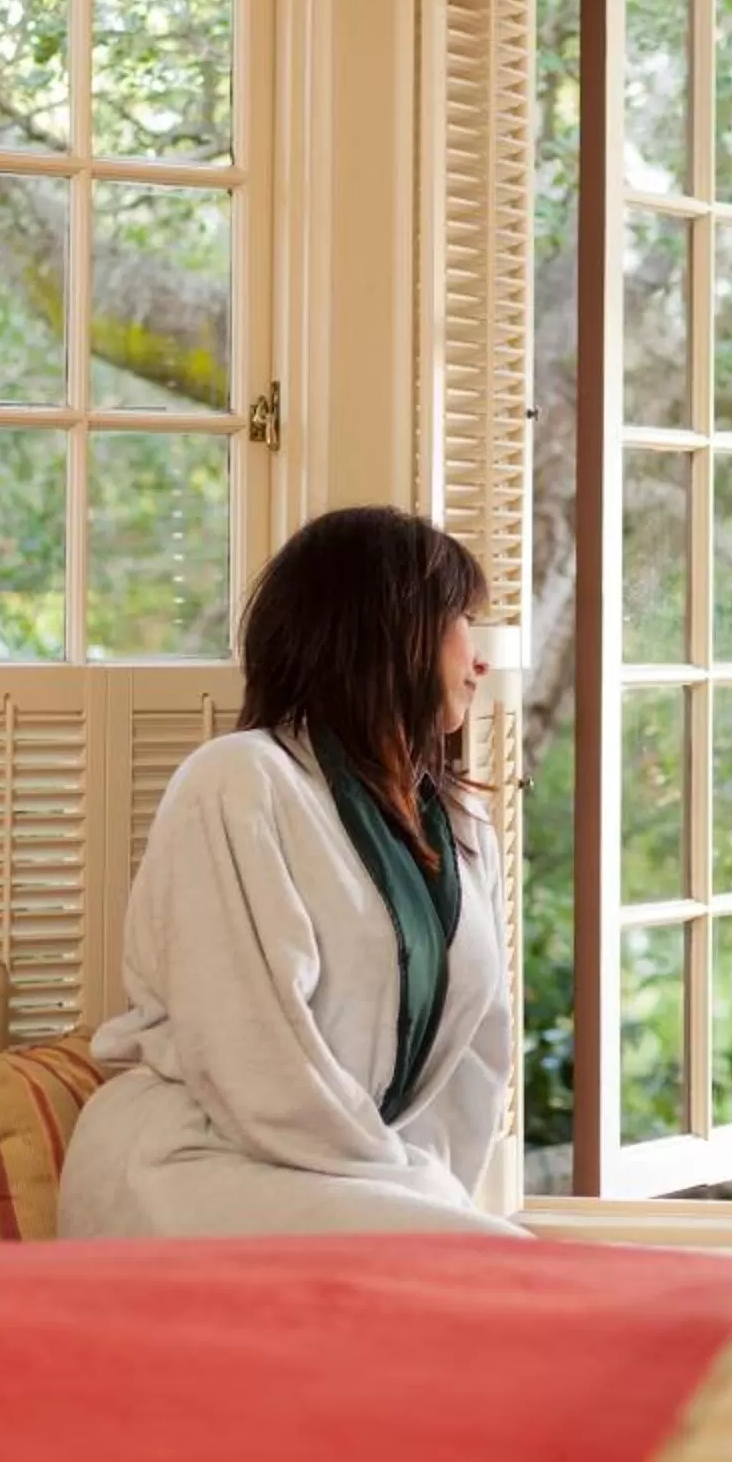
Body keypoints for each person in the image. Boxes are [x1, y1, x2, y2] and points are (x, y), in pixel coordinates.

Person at [59, 506, 525, 1239]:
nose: (483, 659)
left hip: (366, 1179)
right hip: (202, 1161)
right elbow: (250, 1056)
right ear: (391, 630)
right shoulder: (239, 781)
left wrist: (428, 1187)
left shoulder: (463, 831)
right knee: (496, 1269)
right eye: (463, 618)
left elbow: (475, 1063)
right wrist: (409, 1194)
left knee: (488, 1263)